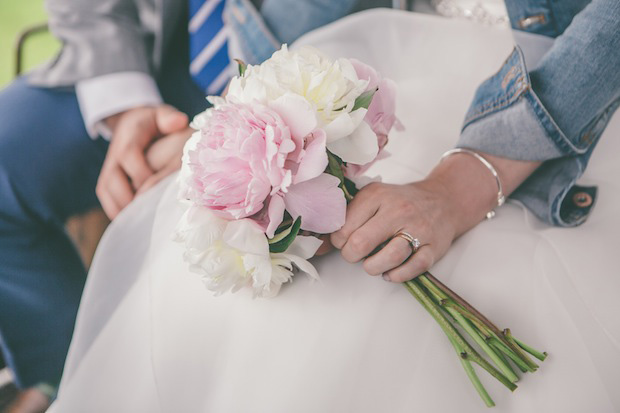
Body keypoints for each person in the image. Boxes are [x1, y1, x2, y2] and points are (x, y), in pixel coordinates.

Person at [1, 0, 618, 411]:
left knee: (301, 327)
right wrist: (186, 117)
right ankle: (60, 380)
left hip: (522, 71)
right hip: (263, 47)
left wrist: (468, 179)